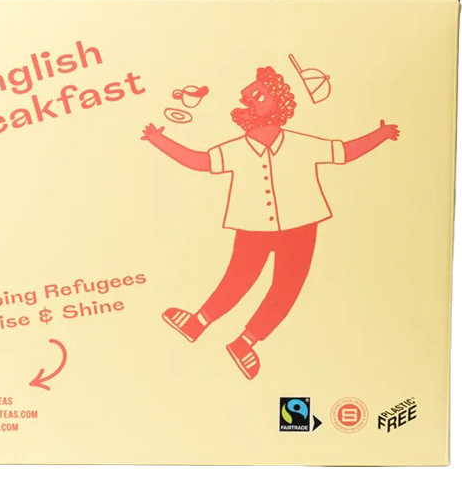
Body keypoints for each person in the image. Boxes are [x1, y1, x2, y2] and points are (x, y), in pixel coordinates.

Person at [141, 66, 400, 380]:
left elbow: (343, 152)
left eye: (258, 96)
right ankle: (197, 323)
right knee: (237, 279)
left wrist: (380, 135)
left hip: (301, 225)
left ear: (278, 103)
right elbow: (199, 161)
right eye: (247, 97)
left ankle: (245, 342)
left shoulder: (302, 144)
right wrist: (157, 140)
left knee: (286, 288)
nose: (248, 100)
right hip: (253, 225)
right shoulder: (236, 150)